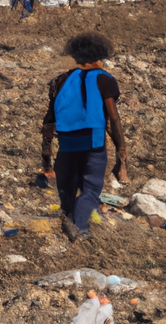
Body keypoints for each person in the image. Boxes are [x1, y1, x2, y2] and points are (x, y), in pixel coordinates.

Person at [41, 32, 129, 241]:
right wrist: (121, 149)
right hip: (93, 142)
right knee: (90, 190)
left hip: (66, 144)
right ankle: (79, 231)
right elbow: (113, 117)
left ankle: (69, 229)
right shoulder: (104, 79)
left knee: (67, 192)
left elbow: (48, 121)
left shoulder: (61, 81)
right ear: (100, 56)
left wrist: (46, 157)